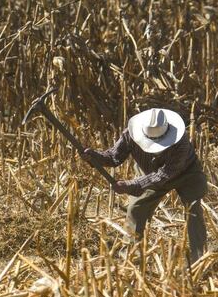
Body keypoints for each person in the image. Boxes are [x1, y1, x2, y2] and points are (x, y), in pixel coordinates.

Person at [81, 108, 208, 263]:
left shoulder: (181, 142)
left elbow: (164, 175)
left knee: (193, 210)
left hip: (186, 173)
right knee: (136, 208)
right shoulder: (130, 135)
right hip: (149, 172)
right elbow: (114, 157)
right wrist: (95, 157)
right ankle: (131, 256)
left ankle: (199, 258)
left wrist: (131, 185)